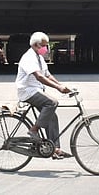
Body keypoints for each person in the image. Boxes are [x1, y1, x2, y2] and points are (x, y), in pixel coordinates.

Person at [15, 31, 72, 160]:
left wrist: (61, 85)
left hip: (36, 90)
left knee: (52, 116)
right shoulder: (29, 57)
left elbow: (47, 74)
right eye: (44, 45)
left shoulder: (39, 57)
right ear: (35, 45)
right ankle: (34, 129)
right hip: (27, 91)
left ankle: (55, 148)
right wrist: (58, 88)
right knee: (52, 103)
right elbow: (39, 76)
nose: (46, 48)